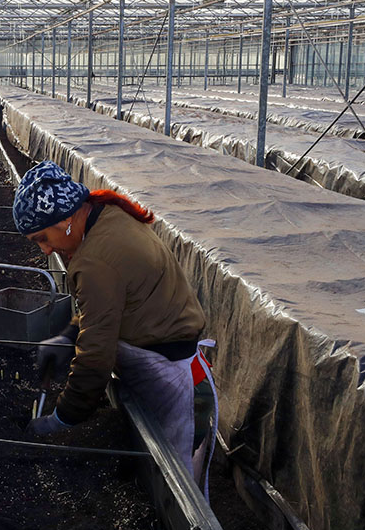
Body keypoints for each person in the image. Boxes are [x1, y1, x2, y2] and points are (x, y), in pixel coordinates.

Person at [13, 161, 217, 491]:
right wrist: (69, 335)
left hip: (174, 379)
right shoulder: (105, 216)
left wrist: (63, 419)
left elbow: (95, 359)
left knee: (176, 490)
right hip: (168, 358)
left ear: (65, 219)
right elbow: (108, 306)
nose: (45, 249)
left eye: (42, 237)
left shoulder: (96, 258)